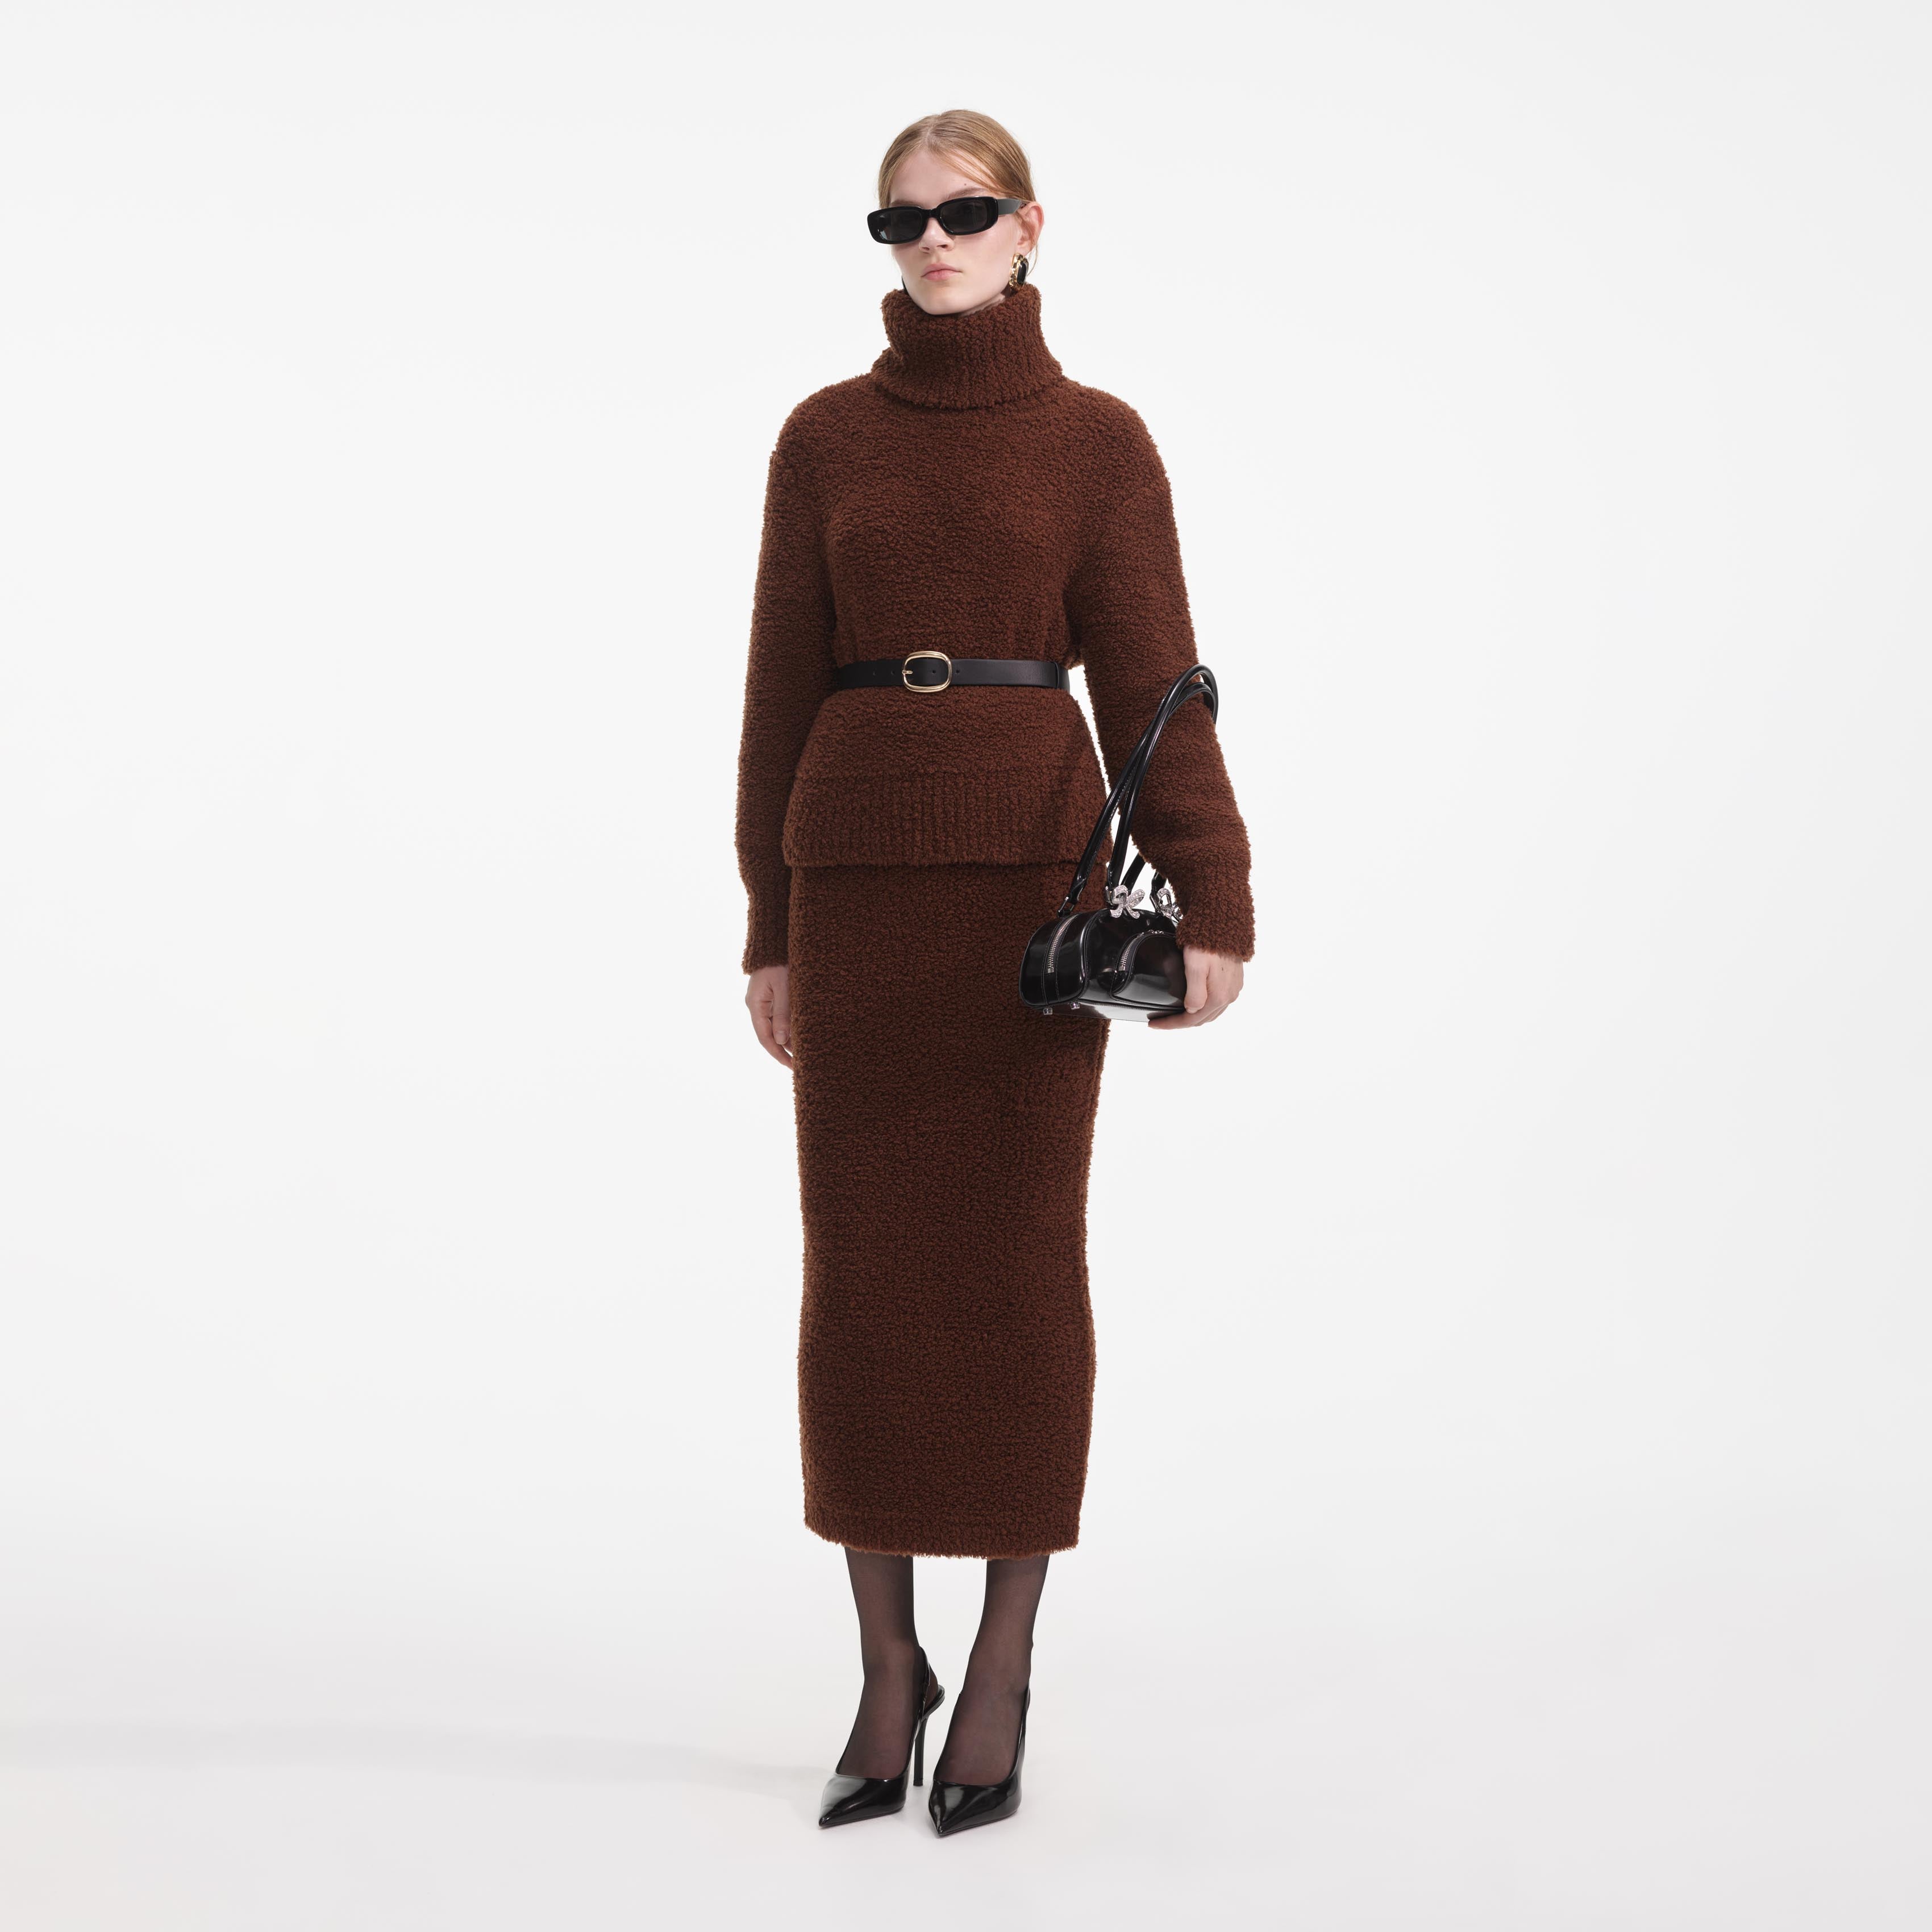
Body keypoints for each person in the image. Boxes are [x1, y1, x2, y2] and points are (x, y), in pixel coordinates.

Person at [733, 109, 1255, 1837]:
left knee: (1019, 1272)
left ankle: (1006, 1664)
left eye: (965, 213)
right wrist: (769, 923)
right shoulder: (825, 439)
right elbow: (776, 693)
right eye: (901, 221)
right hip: (855, 890)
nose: (933, 243)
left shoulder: (1098, 444)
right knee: (864, 1279)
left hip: (1026, 909)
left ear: (1032, 226)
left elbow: (1157, 680)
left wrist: (1213, 889)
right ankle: (889, 1670)